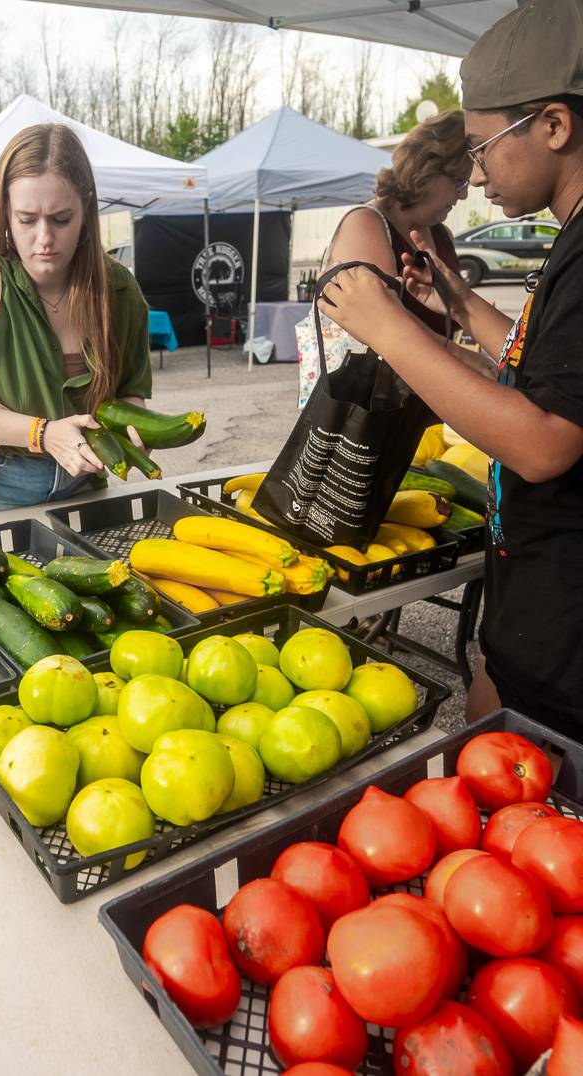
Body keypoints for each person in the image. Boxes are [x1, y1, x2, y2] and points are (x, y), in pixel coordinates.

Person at [317, 0, 583, 738]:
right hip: (536, 608)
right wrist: (461, 303)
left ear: (554, 126)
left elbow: (545, 441)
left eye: (481, 145)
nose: (474, 173)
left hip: (566, 635)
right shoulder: (570, 239)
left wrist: (392, 330)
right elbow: (544, 368)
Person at [0, 123, 151, 513]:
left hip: (87, 483)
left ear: (87, 211)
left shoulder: (119, 289)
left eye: (61, 219)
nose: (44, 238)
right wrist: (43, 434)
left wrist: (134, 432)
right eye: (27, 219)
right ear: (5, 213)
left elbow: (131, 393)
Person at [303, 111, 473, 402]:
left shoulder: (440, 234)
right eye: (459, 182)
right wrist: (462, 359)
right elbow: (384, 323)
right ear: (427, 168)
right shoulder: (367, 223)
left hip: (421, 398)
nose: (464, 195)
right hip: (367, 409)